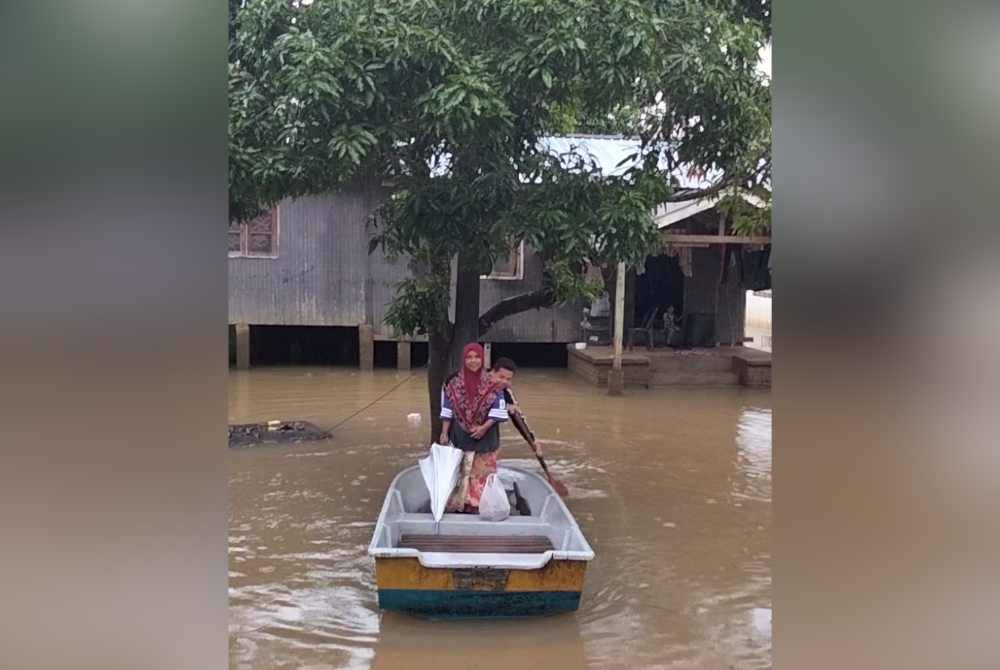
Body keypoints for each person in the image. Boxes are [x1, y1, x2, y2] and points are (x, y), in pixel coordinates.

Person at [439, 343, 509, 513]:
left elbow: (499, 409)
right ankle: (460, 504)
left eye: (477, 357)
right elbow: (447, 408)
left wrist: (484, 427)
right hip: (461, 436)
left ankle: (479, 506)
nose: (473, 361)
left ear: (482, 359)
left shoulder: (493, 383)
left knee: (481, 473)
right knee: (462, 472)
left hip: (486, 438)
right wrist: (444, 432)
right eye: (469, 357)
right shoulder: (453, 383)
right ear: (464, 360)